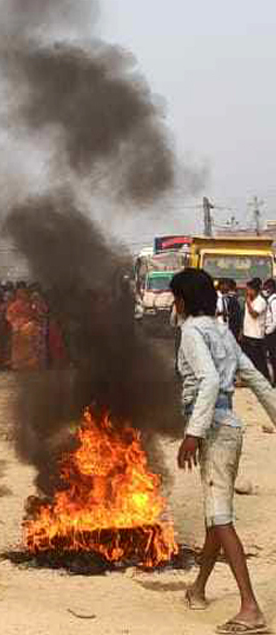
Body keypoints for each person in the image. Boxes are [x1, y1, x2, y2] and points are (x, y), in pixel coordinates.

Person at [171, 268, 276, 635]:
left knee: (221, 519)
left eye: (174, 299)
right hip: (231, 427)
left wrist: (193, 434)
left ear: (181, 301)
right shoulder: (221, 331)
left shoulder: (190, 332)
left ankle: (250, 608)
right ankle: (198, 589)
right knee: (216, 515)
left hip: (214, 431)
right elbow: (257, 378)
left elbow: (211, 381)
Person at [239, 278, 269, 382]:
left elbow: (254, 315)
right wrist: (241, 331)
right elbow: (246, 317)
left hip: (256, 336)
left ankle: (265, 378)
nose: (247, 292)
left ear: (254, 290)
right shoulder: (250, 300)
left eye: (249, 290)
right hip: (247, 334)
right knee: (246, 360)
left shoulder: (260, 301)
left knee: (259, 360)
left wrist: (248, 303)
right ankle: (247, 379)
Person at [6, 288, 40, 371]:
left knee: (26, 348)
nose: (23, 296)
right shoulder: (15, 305)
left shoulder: (27, 305)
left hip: (26, 328)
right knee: (19, 348)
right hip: (19, 329)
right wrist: (15, 323)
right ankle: (19, 364)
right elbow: (9, 316)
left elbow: (33, 315)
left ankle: (25, 364)